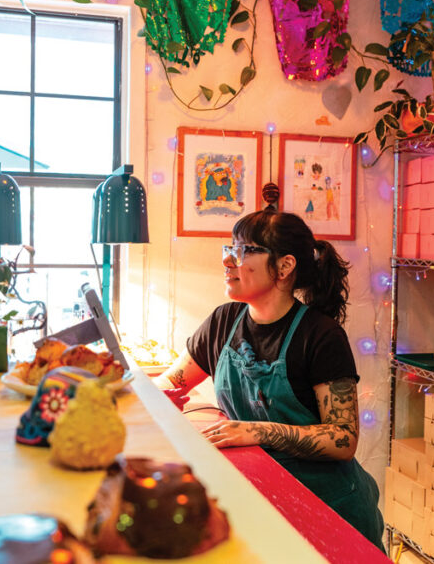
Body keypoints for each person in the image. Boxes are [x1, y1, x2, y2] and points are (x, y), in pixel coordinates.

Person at [155, 209, 385, 552]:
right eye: (229, 249)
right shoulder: (223, 322)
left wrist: (258, 430)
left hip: (328, 506)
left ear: (284, 266)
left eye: (242, 251)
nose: (227, 261)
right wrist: (160, 398)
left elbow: (343, 439)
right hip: (260, 494)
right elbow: (171, 382)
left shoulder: (321, 336)